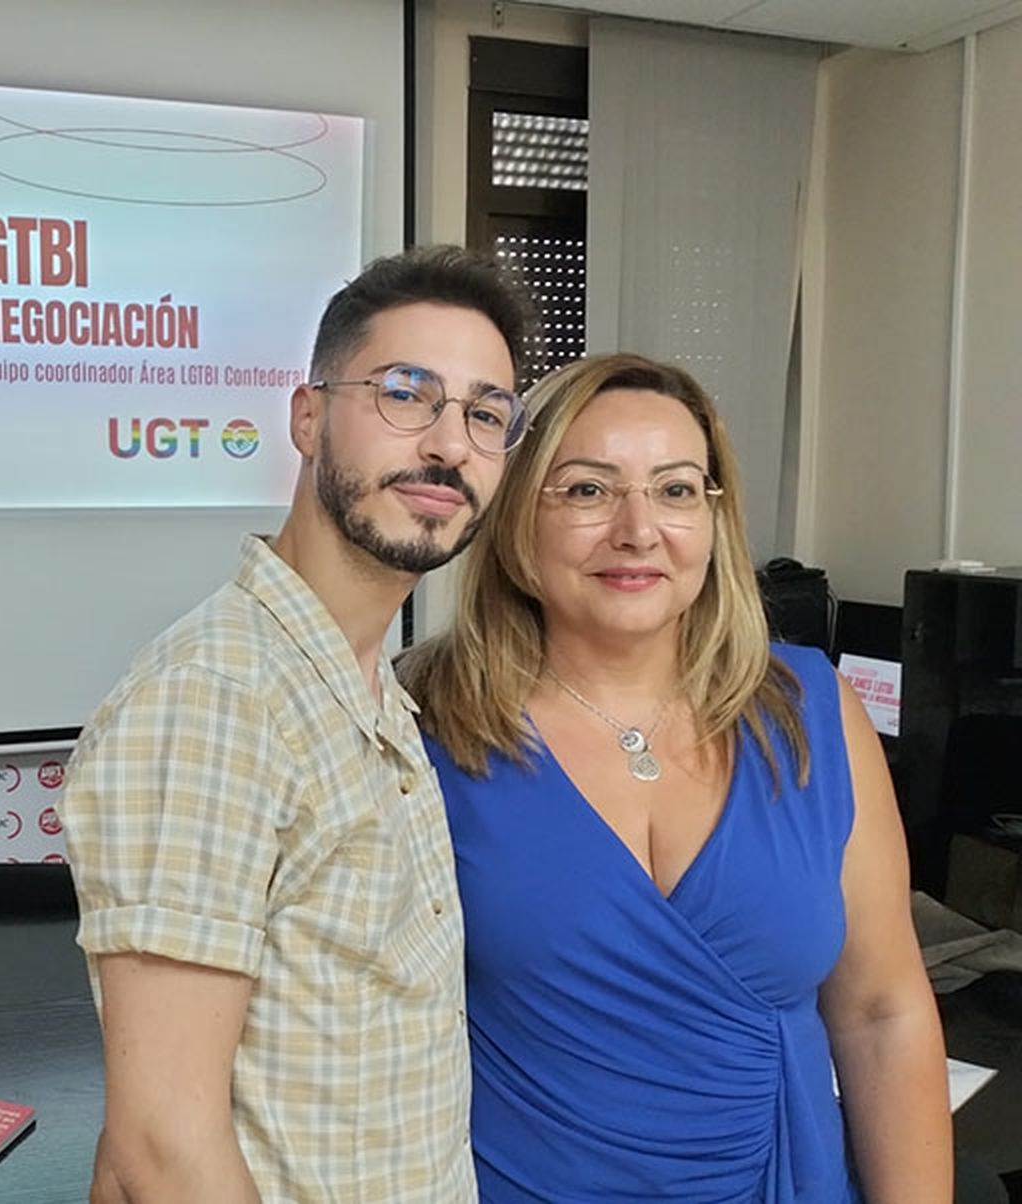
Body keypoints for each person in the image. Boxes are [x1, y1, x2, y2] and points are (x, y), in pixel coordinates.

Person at [401, 352, 952, 1203]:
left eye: (676, 489)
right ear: (515, 514)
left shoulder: (809, 707)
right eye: (586, 490)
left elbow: (883, 1011)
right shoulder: (423, 716)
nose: (638, 530)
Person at [60, 245, 534, 1203]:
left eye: (485, 413)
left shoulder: (376, 691)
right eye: (407, 392)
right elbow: (165, 1150)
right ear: (309, 417)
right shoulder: (218, 702)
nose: (448, 443)